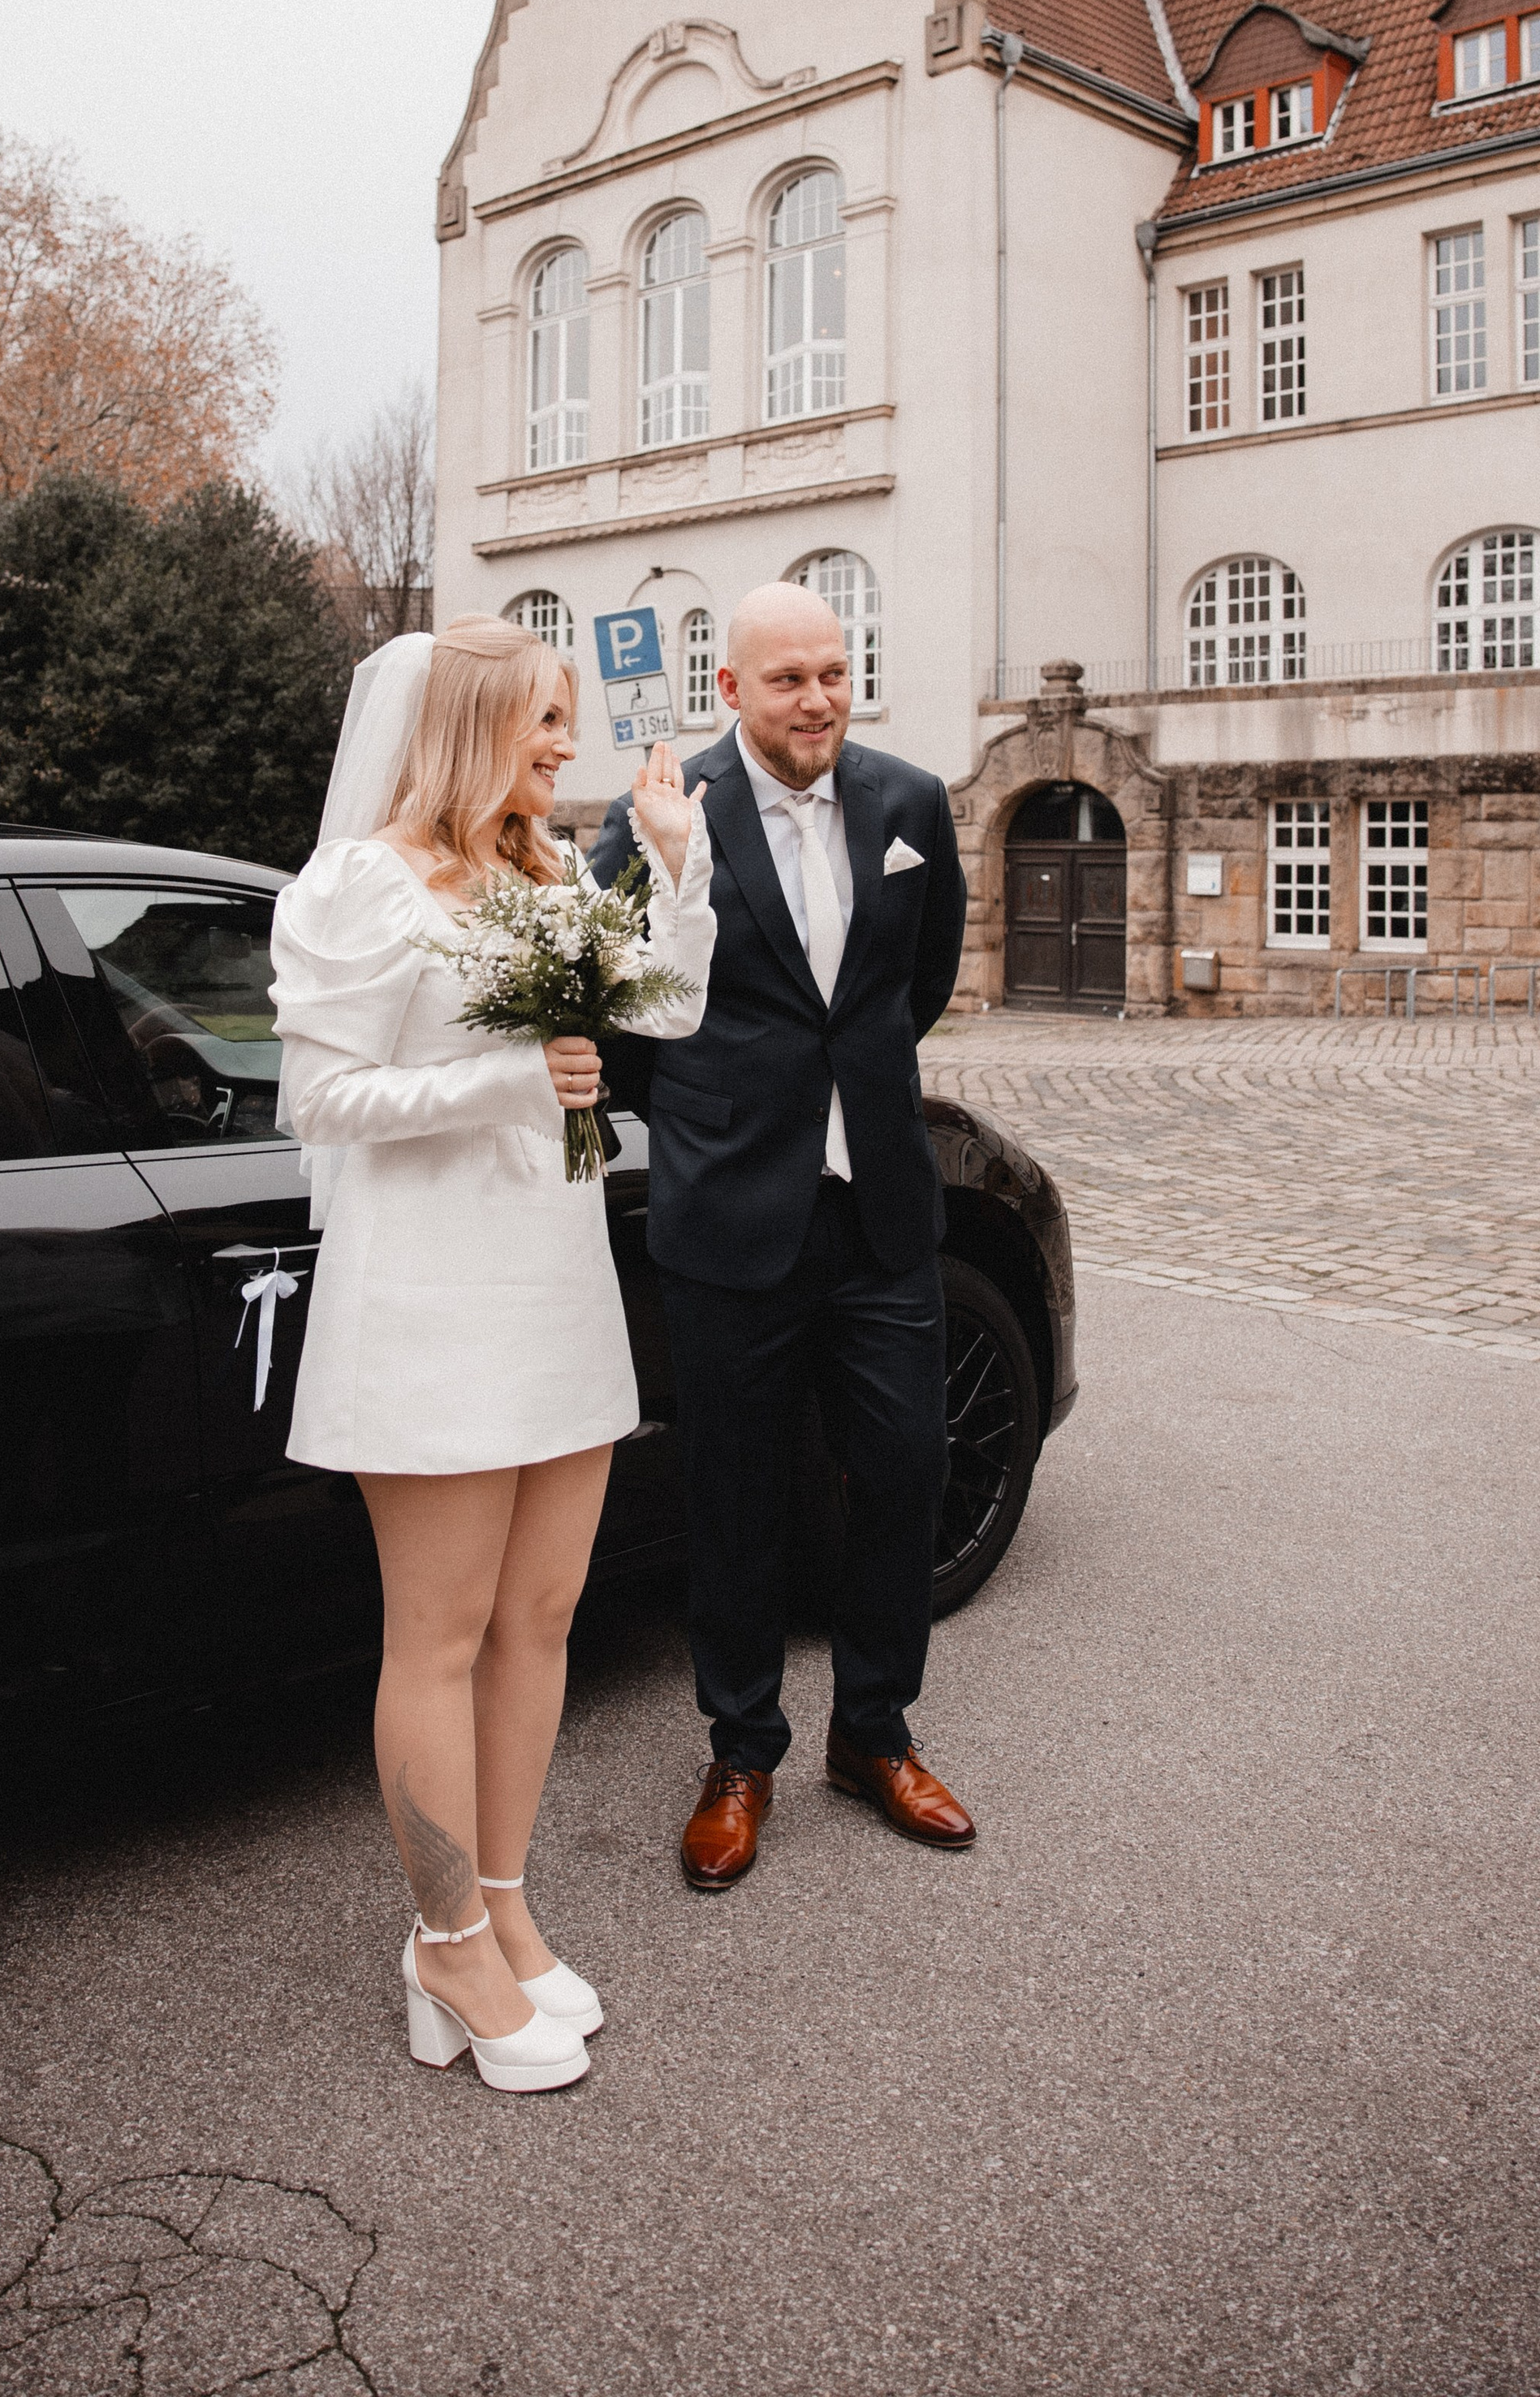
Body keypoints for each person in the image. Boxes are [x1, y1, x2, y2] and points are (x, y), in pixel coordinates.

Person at [270, 615, 714, 2090]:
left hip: (555, 1283)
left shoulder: (544, 876)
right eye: (539, 718)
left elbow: (667, 1005)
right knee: (441, 1636)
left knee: (544, 1618)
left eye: (566, 717)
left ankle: (507, 1911)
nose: (562, 744)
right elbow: (320, 1103)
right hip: (433, 1301)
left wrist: (674, 861)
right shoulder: (359, 885)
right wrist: (503, 1083)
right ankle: (442, 1939)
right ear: (464, 725)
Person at [590, 581, 970, 1890]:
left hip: (879, 1211)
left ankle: (873, 1733)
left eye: (834, 671)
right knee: (736, 1493)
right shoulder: (656, 815)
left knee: (907, 1467)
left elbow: (916, 988)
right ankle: (740, 1749)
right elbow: (617, 1012)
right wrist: (721, 1117)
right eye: (789, 679)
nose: (818, 698)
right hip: (730, 1213)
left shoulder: (912, 803)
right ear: (733, 690)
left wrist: (842, 1095)